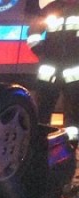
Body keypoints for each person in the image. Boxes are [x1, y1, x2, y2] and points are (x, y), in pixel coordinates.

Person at [27, 0, 79, 130]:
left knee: (73, 111)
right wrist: (42, 52)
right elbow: (33, 34)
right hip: (51, 71)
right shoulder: (51, 9)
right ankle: (40, 140)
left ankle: (70, 142)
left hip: (69, 71)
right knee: (44, 110)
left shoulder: (52, 8)